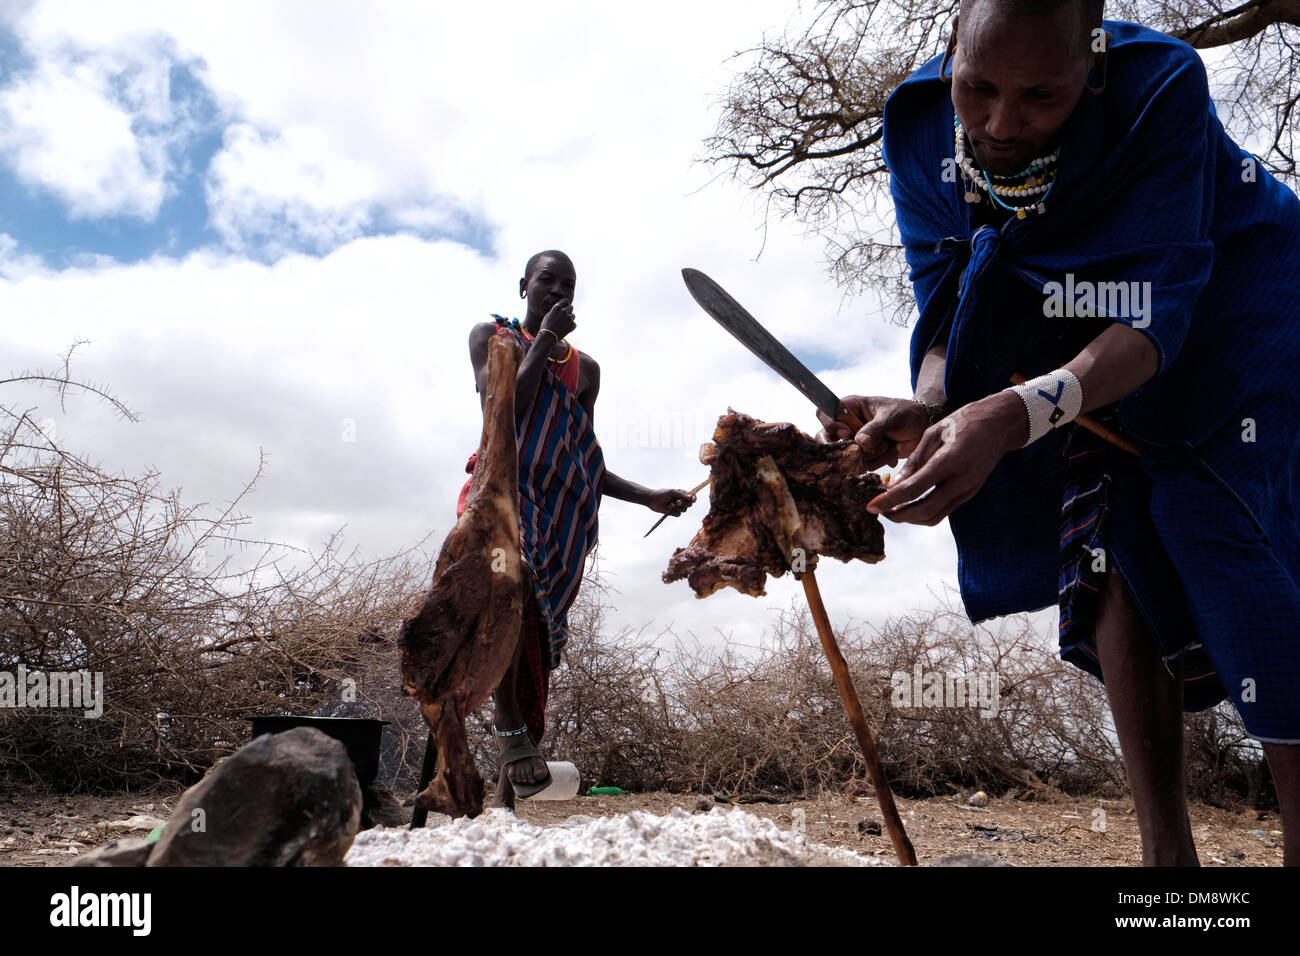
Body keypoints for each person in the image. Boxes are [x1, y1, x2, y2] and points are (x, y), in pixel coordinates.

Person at [820, 1, 1300, 865]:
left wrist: (1015, 413)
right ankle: (1169, 870)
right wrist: (929, 402)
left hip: (1241, 288)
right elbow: (945, 292)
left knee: (1207, 505)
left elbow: (1156, 303)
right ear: (952, 49)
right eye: (979, 87)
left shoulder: (1159, 90)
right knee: (1108, 532)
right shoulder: (920, 123)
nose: (1002, 124)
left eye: (1042, 96)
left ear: (1096, 63)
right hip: (1080, 336)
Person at [464, 249, 695, 807]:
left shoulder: (586, 371)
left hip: (561, 516)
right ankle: (508, 723)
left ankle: (504, 802)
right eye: (547, 282)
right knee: (508, 578)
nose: (558, 292)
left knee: (536, 644)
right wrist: (542, 339)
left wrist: (648, 497)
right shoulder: (494, 337)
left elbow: (582, 460)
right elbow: (505, 414)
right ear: (524, 285)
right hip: (502, 492)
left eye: (568, 286)